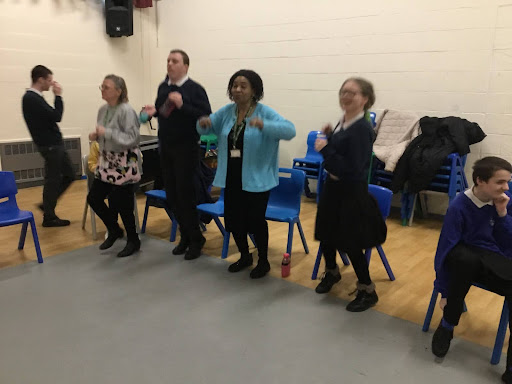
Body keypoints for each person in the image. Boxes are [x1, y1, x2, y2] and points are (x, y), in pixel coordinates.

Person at [198, 69, 296, 278]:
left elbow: (289, 130)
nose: (238, 90)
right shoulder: (227, 112)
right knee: (233, 220)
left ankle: (263, 260)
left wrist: (265, 126)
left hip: (256, 180)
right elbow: (206, 129)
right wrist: (203, 124)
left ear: (254, 90)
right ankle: (244, 256)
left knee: (256, 221)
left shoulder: (264, 112)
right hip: (231, 177)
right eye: (234, 85)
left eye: (243, 86)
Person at [431, 156, 512, 383]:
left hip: (493, 260)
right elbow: (445, 250)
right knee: (464, 260)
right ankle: (448, 324)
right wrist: (443, 292)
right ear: (480, 181)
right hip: (463, 262)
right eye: (500, 182)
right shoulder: (459, 206)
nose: (506, 187)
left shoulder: (504, 201)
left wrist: (503, 214)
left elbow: (508, 245)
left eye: (508, 182)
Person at [314, 77, 387, 312]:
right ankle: (332, 272)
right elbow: (342, 151)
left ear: (365, 98)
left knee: (352, 242)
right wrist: (331, 136)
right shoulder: (344, 121)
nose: (345, 96)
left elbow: (351, 167)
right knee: (326, 233)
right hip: (334, 189)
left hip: (351, 192)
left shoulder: (362, 128)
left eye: (352, 93)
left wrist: (325, 149)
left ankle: (367, 290)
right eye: (343, 92)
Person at [143, 50, 212, 260]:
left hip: (186, 149)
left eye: (175, 61)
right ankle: (186, 235)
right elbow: (165, 112)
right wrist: (154, 111)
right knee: (171, 195)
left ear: (185, 66)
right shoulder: (164, 87)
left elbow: (205, 117)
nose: (170, 64)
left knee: (185, 195)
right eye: (168, 61)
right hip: (166, 147)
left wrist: (183, 105)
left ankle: (196, 238)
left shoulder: (195, 89)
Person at [87, 74, 142, 258]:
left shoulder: (127, 110)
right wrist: (97, 136)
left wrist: (107, 133)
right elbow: (104, 132)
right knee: (94, 198)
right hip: (106, 161)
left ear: (118, 91)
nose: (102, 90)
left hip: (124, 163)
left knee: (122, 204)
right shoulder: (103, 109)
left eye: (106, 87)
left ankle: (133, 240)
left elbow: (132, 139)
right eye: (101, 86)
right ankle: (114, 229)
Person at [22, 65, 74, 227]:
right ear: (40, 79)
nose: (51, 84)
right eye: (49, 80)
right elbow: (56, 116)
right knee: (52, 179)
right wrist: (58, 96)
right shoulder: (31, 98)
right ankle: (49, 216)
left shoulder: (35, 98)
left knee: (69, 175)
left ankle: (47, 205)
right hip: (50, 145)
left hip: (53, 144)